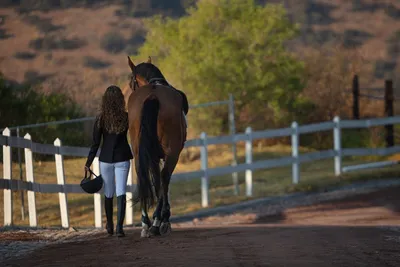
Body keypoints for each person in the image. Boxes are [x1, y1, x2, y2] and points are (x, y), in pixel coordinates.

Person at [84, 85, 133, 237]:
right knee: (121, 192)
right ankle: (119, 227)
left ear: (105, 100)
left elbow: (95, 143)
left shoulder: (101, 118)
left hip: (105, 160)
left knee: (109, 192)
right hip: (123, 158)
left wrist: (88, 162)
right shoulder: (126, 117)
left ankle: (110, 225)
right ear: (120, 100)